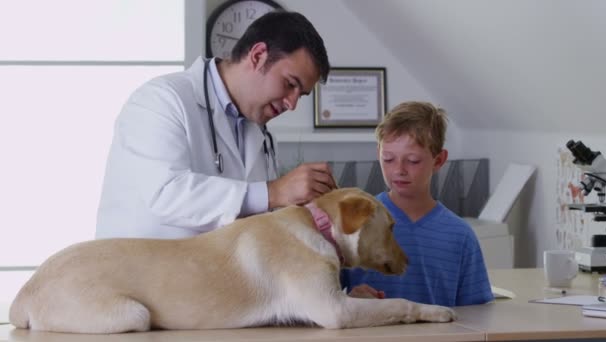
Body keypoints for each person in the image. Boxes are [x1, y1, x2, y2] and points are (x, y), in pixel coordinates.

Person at [96, 11, 336, 239]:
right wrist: (273, 192)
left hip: (208, 276)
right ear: (257, 56)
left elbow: (257, 221)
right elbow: (166, 194)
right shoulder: (161, 99)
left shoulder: (259, 134)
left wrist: (304, 211)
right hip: (136, 277)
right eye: (289, 84)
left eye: (300, 95)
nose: (292, 103)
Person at [341, 101, 494, 306]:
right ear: (378, 153)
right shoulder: (354, 224)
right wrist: (348, 300)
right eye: (388, 159)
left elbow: (478, 317)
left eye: (412, 161)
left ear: (439, 160)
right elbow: (322, 302)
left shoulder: (460, 236)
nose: (399, 170)